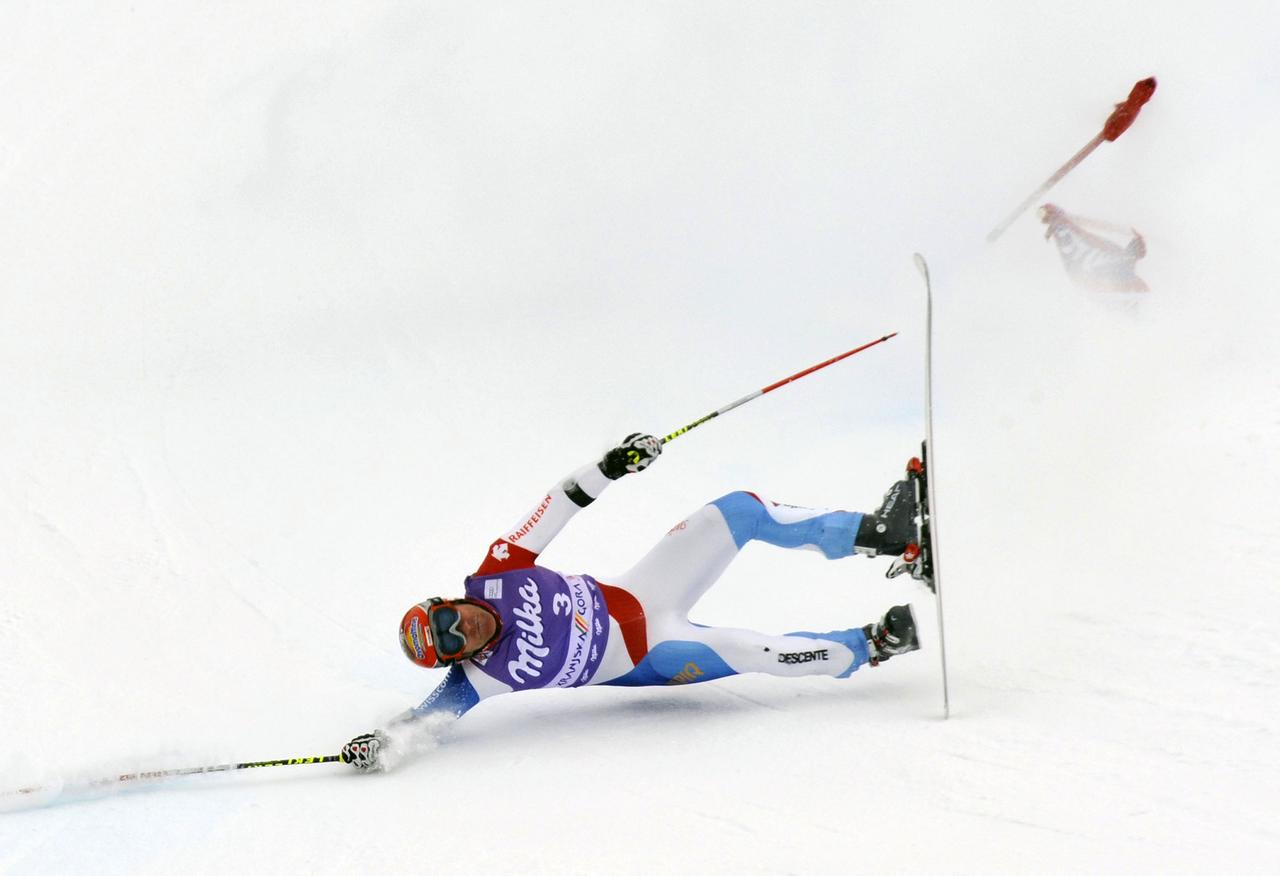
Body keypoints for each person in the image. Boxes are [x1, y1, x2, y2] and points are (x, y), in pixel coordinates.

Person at [341, 433, 924, 771]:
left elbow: (559, 503)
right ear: (455, 658)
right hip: (652, 653)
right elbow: (424, 722)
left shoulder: (497, 572)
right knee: (755, 649)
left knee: (738, 510)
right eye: (450, 644)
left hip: (647, 589)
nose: (458, 630)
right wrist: (381, 746)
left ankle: (884, 533)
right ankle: (871, 644)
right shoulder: (481, 678)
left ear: (445, 600)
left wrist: (610, 466)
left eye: (444, 619)